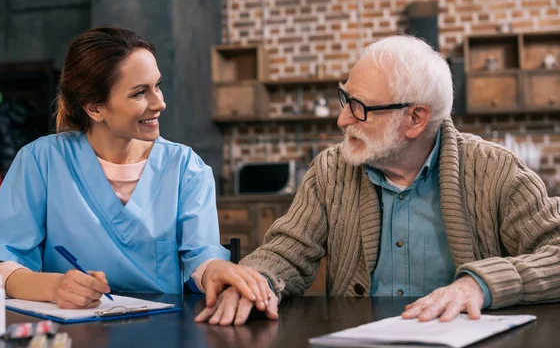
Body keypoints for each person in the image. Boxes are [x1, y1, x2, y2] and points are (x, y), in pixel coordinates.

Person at [196, 35, 560, 326]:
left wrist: (480, 284)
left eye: (360, 107)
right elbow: (285, 253)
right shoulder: (330, 170)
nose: (342, 120)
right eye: (345, 99)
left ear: (416, 119)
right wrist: (254, 283)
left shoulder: (496, 170)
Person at [0, 27, 270, 310]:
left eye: (158, 86)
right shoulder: (40, 162)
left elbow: (201, 257)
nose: (160, 103)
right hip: (73, 333)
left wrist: (215, 268)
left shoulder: (186, 168)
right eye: (140, 93)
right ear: (95, 108)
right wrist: (52, 287)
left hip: (162, 333)